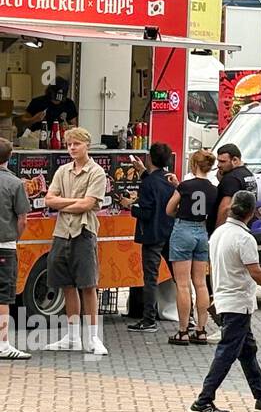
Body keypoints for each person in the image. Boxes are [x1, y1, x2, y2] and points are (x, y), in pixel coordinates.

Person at [188, 190, 261, 412]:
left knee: (247, 350)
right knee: (227, 352)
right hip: (238, 303)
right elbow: (256, 272)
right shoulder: (245, 239)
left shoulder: (218, 233)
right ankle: (203, 400)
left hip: (225, 299)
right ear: (252, 213)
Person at [43, 128, 109, 355]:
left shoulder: (97, 172)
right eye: (69, 144)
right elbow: (49, 200)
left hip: (84, 232)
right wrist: (74, 202)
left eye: (76, 144)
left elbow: (88, 204)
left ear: (86, 145)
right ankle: (72, 337)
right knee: (66, 285)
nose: (72, 148)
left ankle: (92, 337)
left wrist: (63, 204)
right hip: (61, 233)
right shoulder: (62, 170)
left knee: (88, 285)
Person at [166, 149, 218, 346]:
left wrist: (179, 210)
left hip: (183, 230)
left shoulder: (185, 186)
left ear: (194, 164)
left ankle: (182, 331)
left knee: (182, 284)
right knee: (201, 283)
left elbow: (169, 209)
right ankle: (202, 330)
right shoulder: (214, 188)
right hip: (202, 232)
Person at [125, 142, 177, 334]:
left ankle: (148, 319)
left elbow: (145, 211)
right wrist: (143, 171)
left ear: (149, 158)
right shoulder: (170, 178)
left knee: (150, 277)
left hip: (152, 234)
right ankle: (188, 315)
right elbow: (158, 185)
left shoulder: (148, 183)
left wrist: (130, 205)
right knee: (178, 276)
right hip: (169, 231)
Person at [0, 137, 32, 360]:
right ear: (10, 158)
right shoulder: (15, 184)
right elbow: (23, 219)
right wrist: (15, 239)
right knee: (3, 296)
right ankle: (3, 345)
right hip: (5, 246)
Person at [210, 144, 258, 232]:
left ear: (235, 160)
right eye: (218, 161)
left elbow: (225, 208)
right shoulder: (248, 174)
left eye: (223, 161)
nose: (218, 165)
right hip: (244, 228)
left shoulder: (231, 178)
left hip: (228, 231)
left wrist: (217, 233)